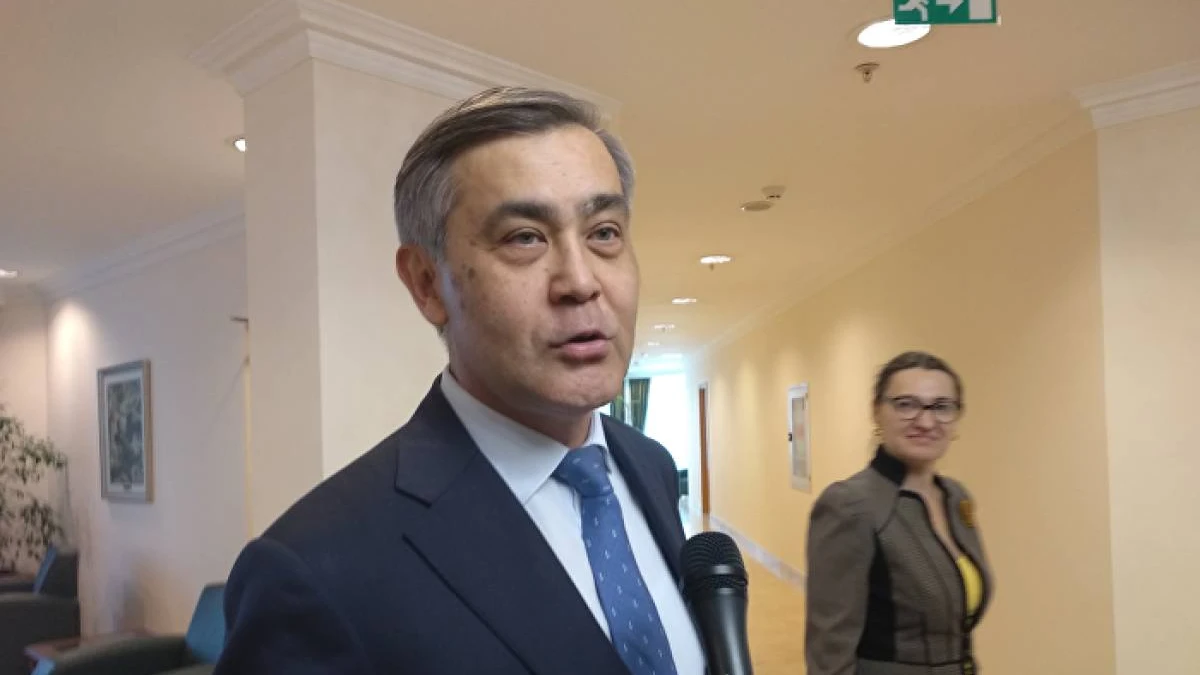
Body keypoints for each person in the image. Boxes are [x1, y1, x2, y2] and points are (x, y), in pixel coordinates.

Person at [214, 87, 705, 675]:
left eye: (604, 232)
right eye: (524, 237)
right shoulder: (312, 571)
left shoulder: (648, 465)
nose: (581, 281)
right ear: (427, 283)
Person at [805, 351, 993, 675]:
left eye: (942, 407)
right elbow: (829, 652)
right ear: (877, 412)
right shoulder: (850, 505)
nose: (926, 422)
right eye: (906, 404)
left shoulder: (956, 498)